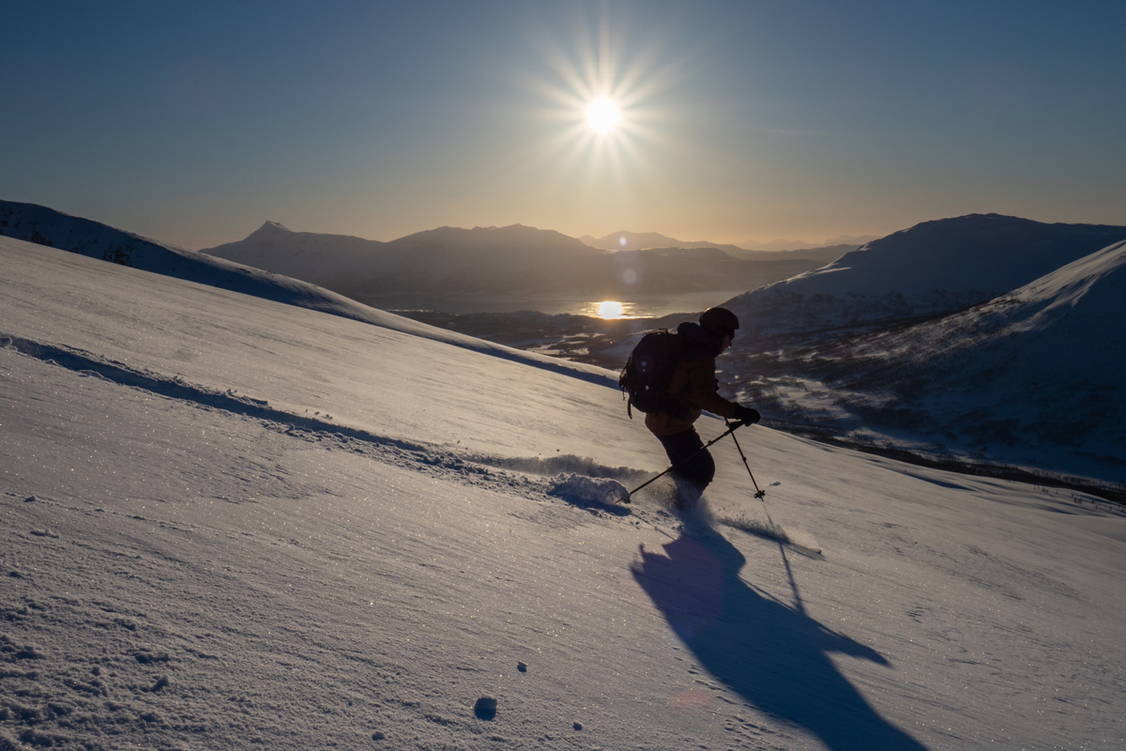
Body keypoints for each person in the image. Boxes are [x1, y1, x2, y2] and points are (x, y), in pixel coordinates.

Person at [644, 307, 760, 507]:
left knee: (690, 468)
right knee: (702, 470)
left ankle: (666, 499)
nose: (730, 342)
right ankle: (675, 509)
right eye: (729, 335)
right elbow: (703, 397)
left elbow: (687, 387)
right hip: (671, 423)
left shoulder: (691, 346)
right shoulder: (700, 355)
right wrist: (738, 412)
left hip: (666, 418)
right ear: (718, 333)